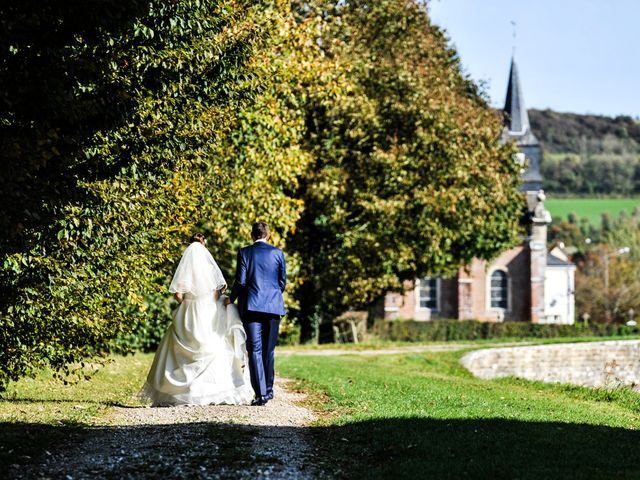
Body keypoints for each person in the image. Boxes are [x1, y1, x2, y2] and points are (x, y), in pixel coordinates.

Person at [141, 233, 254, 406]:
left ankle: (179, 392)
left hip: (188, 311)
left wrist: (188, 302)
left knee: (181, 349)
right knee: (214, 344)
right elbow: (218, 292)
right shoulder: (209, 269)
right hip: (207, 310)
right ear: (204, 246)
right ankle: (214, 390)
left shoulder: (186, 269)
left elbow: (178, 295)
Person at [227, 221, 286, 406]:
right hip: (273, 307)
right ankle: (268, 391)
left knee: (255, 350)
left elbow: (241, 281)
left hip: (252, 307)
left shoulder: (244, 252)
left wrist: (231, 298)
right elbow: (282, 282)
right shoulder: (278, 253)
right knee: (269, 351)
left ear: (252, 235)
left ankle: (260, 395)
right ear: (267, 235)